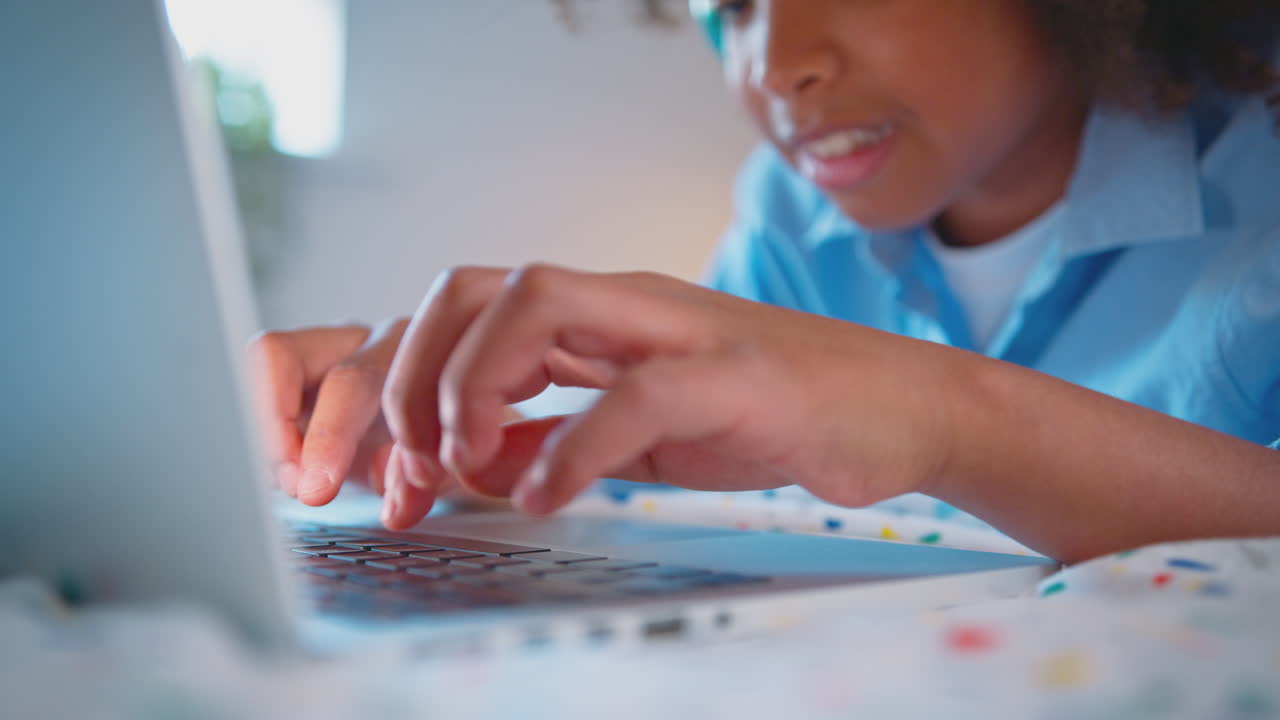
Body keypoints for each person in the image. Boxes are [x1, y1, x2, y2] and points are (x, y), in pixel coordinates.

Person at [250, 0, 1280, 564]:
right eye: (734, 5)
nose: (776, 63)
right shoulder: (793, 216)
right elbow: (676, 468)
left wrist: (939, 417)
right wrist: (444, 433)